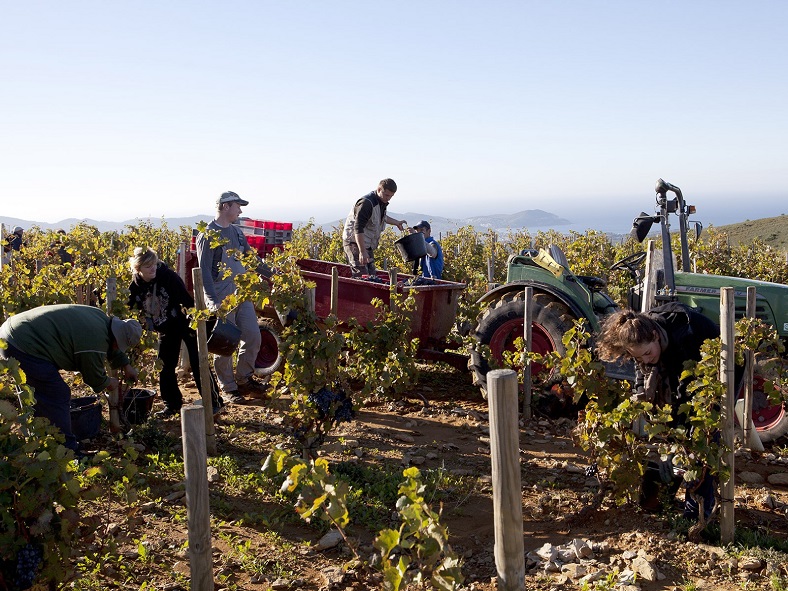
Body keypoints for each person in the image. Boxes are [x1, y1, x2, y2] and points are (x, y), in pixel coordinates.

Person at [596, 301, 720, 520]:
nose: (645, 359)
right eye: (637, 356)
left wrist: (684, 434)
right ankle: (661, 498)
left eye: (647, 353)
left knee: (702, 444)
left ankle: (698, 513)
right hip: (676, 385)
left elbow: (687, 389)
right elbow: (642, 368)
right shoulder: (640, 333)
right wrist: (641, 392)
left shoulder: (686, 335)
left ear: (655, 335)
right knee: (649, 498)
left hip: (713, 383)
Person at [0, 304, 142, 452]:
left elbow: (111, 345)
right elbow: (94, 377)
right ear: (116, 339)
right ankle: (66, 450)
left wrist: (126, 365)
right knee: (57, 394)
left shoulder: (101, 318)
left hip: (12, 333)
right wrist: (108, 383)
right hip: (22, 344)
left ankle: (40, 439)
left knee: (37, 393)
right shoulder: (93, 341)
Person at [128, 247, 224, 418]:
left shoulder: (168, 277)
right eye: (147, 266)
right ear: (138, 269)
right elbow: (131, 308)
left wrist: (198, 324)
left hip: (186, 324)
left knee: (198, 362)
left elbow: (187, 302)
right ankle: (172, 405)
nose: (153, 269)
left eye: (154, 264)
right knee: (164, 366)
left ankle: (214, 403)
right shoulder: (136, 285)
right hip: (165, 328)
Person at [196, 191, 267, 404]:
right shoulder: (208, 235)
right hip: (221, 294)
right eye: (238, 206)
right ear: (226, 206)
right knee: (225, 342)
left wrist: (273, 274)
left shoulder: (236, 233)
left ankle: (244, 379)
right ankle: (228, 388)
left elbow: (250, 259)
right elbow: (204, 271)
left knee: (253, 335)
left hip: (241, 292)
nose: (241, 210)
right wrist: (212, 300)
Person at [342, 178, 408, 278]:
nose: (388, 198)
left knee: (372, 276)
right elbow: (358, 228)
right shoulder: (366, 203)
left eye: (391, 196)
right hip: (354, 243)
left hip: (366, 244)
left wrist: (396, 223)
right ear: (378, 189)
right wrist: (362, 251)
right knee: (362, 275)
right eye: (386, 195)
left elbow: (381, 217)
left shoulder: (381, 202)